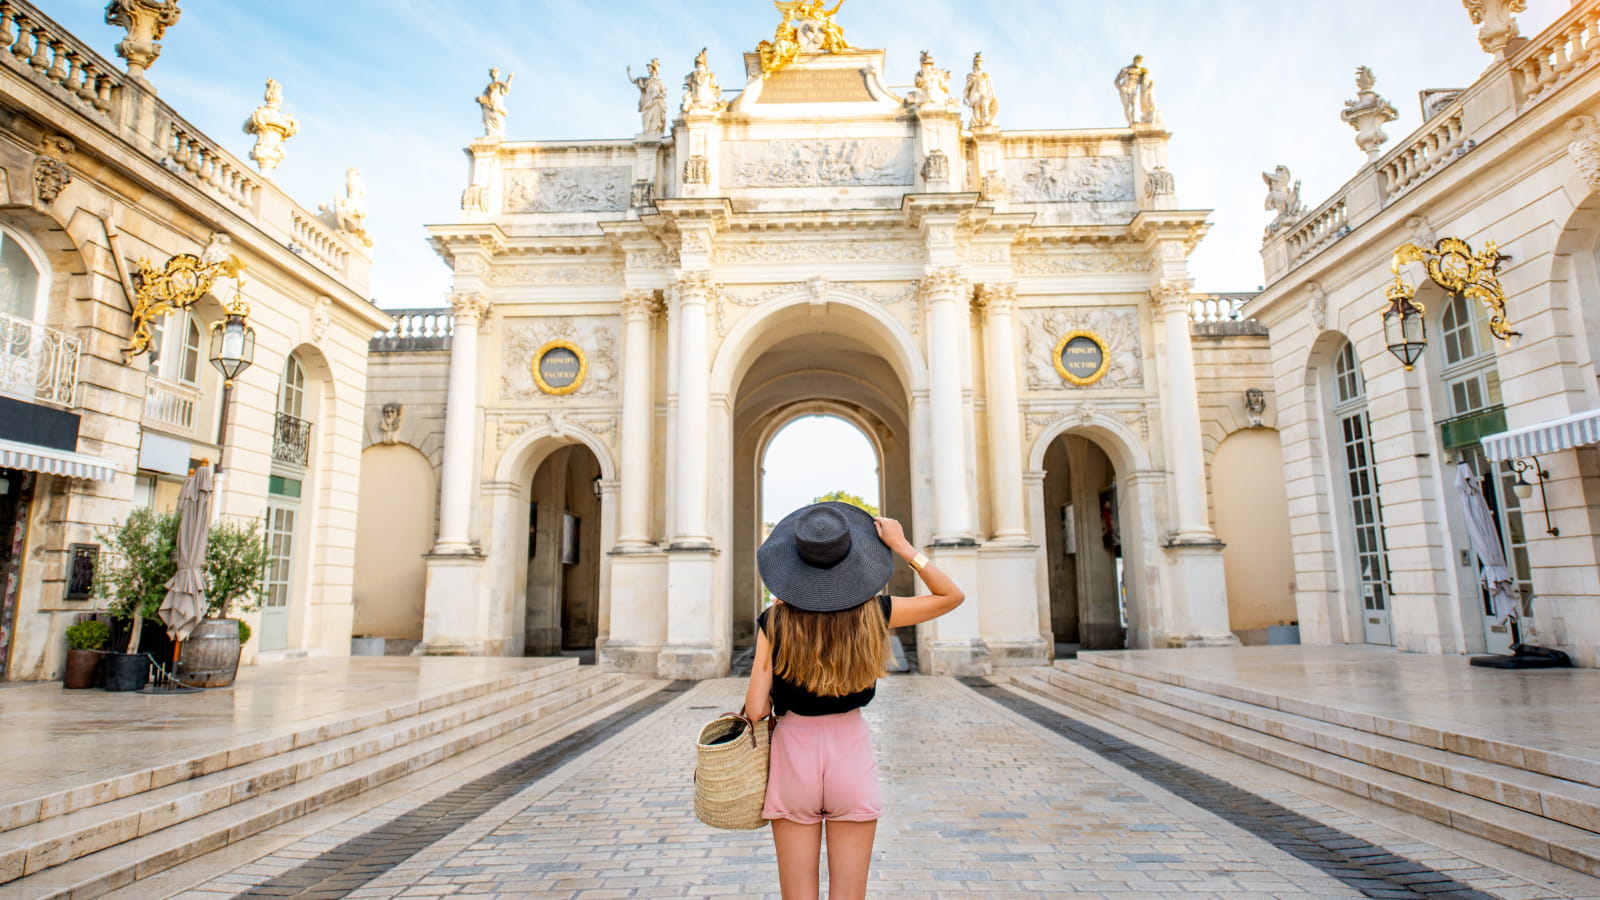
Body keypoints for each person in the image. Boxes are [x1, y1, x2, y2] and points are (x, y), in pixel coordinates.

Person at [744, 501, 965, 900]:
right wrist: (903, 547)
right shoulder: (874, 612)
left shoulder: (775, 620)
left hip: (794, 758)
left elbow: (757, 710)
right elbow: (951, 596)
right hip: (851, 753)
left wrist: (769, 632)